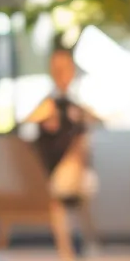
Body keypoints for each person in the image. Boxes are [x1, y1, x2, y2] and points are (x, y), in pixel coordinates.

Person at [23, 43, 101, 201]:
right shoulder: (48, 105)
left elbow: (94, 123)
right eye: (57, 69)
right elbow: (27, 126)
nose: (62, 74)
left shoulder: (76, 106)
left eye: (65, 69)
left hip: (74, 172)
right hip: (52, 173)